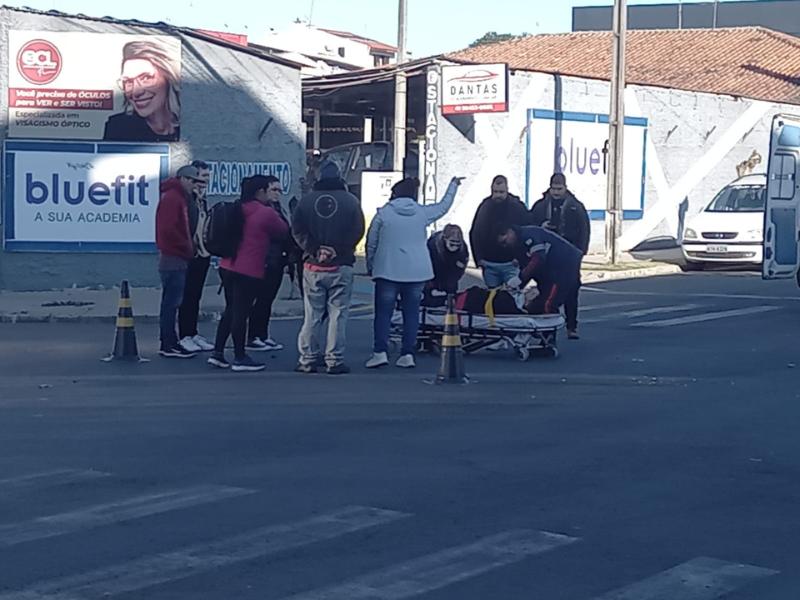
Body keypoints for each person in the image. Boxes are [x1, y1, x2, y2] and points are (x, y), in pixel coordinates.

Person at [365, 177, 463, 369]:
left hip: (387, 270)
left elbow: (371, 242)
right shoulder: (421, 213)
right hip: (417, 272)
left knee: (384, 313)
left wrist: (371, 265)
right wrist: (453, 186)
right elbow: (444, 207)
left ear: (394, 194)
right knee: (411, 314)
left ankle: (380, 352)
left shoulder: (383, 214)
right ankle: (407, 354)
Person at [209, 176, 289, 372]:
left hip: (228, 265)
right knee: (241, 313)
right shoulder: (265, 213)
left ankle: (218, 353)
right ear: (260, 192)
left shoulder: (236, 208)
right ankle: (239, 356)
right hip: (249, 268)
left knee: (230, 310)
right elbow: (283, 230)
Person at [292, 161, 365, 375]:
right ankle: (334, 359)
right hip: (340, 265)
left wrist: (316, 250)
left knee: (312, 315)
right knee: (338, 315)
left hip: (313, 266)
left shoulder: (305, 202)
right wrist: (336, 251)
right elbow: (357, 231)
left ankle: (307, 359)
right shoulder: (351, 201)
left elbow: (297, 231)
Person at [529, 173, 590, 339]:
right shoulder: (541, 206)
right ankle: (547, 327)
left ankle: (572, 326)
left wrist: (580, 252)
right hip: (549, 256)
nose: (556, 192)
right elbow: (531, 224)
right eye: (554, 188)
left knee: (572, 290)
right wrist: (542, 227)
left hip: (570, 255)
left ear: (565, 188)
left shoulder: (575, 206)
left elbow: (584, 229)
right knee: (547, 291)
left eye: (559, 189)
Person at [156, 165, 203, 358]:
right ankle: (168, 344)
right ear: (183, 179)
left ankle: (171, 341)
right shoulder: (173, 198)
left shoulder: (180, 198)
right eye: (192, 181)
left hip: (177, 256)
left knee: (173, 302)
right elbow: (168, 230)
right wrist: (186, 248)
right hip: (173, 257)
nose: (194, 185)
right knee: (171, 303)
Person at [497, 226, 582, 317]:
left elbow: (538, 258)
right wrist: (517, 285)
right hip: (562, 261)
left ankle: (551, 328)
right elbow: (528, 267)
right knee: (565, 296)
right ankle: (571, 328)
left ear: (510, 230)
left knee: (549, 303)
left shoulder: (527, 235)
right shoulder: (518, 244)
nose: (507, 243)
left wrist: (519, 279)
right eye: (503, 244)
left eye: (505, 239)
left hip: (562, 263)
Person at [104, 40, 181, 142]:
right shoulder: (118, 127)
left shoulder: (193, 122)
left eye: (146, 78)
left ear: (168, 78)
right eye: (128, 81)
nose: (136, 91)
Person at [247, 176, 290, 352]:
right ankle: (253, 336)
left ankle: (263, 334)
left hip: (277, 260)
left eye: (280, 190)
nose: (277, 193)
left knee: (268, 300)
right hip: (264, 261)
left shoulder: (277, 208)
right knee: (259, 300)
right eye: (274, 190)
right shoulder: (262, 210)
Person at [177, 160, 215, 353]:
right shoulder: (186, 199)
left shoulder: (201, 198)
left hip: (203, 253)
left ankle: (193, 333)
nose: (204, 181)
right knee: (187, 296)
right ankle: (184, 335)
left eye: (207, 177)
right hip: (189, 255)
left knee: (196, 296)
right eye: (201, 176)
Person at [469, 175, 531, 288]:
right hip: (489, 264)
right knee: (492, 298)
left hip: (511, 263)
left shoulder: (517, 207)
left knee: (514, 295)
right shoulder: (485, 207)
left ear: (507, 190)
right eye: (495, 192)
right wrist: (479, 259)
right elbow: (475, 233)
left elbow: (527, 232)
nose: (498, 195)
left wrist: (521, 258)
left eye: (501, 192)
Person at [426, 224, 469, 299]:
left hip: (451, 272)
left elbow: (460, 269)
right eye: (452, 243)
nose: (455, 246)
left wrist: (452, 282)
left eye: (457, 243)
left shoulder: (463, 249)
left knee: (451, 288)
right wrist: (430, 280)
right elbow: (426, 265)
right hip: (433, 271)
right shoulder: (432, 246)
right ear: (444, 239)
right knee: (428, 288)